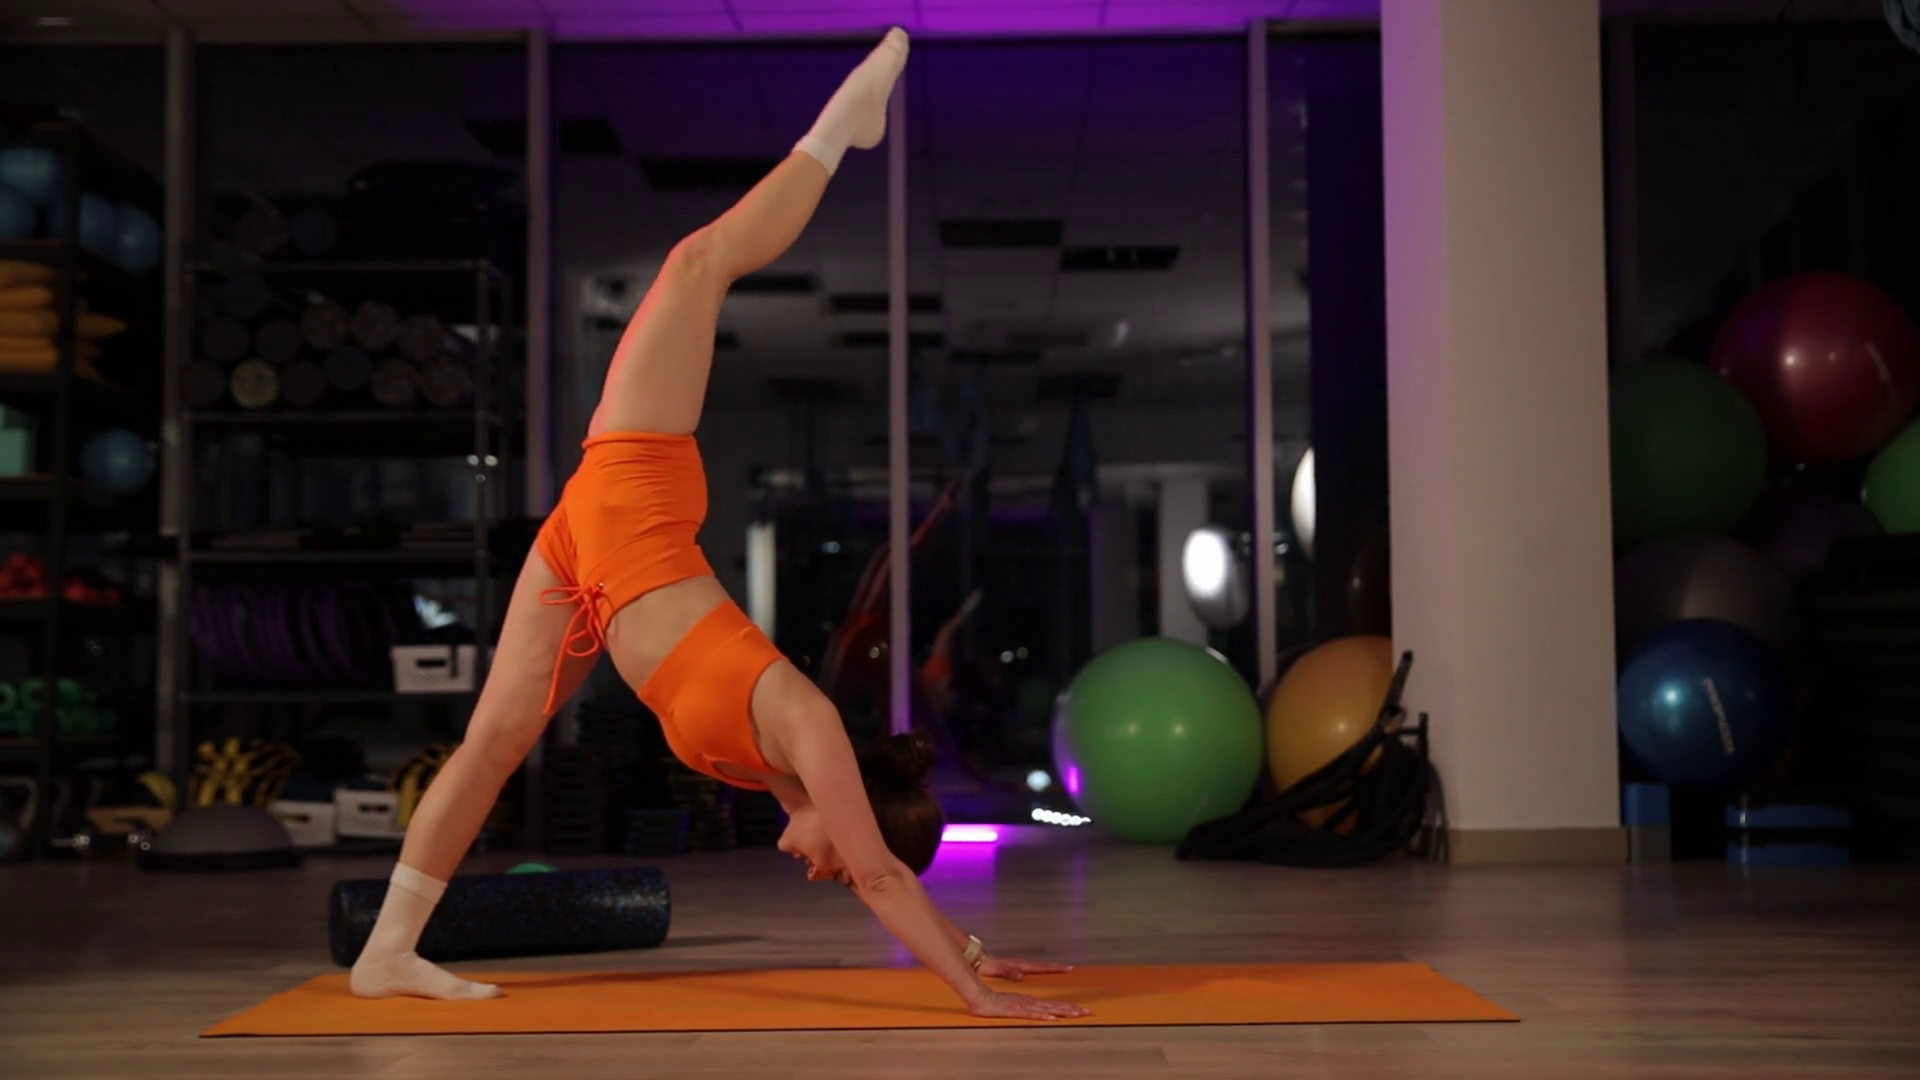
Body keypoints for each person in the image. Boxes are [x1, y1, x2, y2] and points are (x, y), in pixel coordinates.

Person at [346, 28, 1090, 1024]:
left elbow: (873, 869)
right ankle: (840, 128)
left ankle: (387, 953)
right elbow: (880, 876)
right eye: (838, 859)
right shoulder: (806, 730)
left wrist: (975, 949)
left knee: (487, 746)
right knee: (697, 262)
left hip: (588, 564)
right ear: (855, 818)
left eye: (831, 869)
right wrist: (975, 996)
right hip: (634, 496)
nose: (823, 874)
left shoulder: (786, 776)